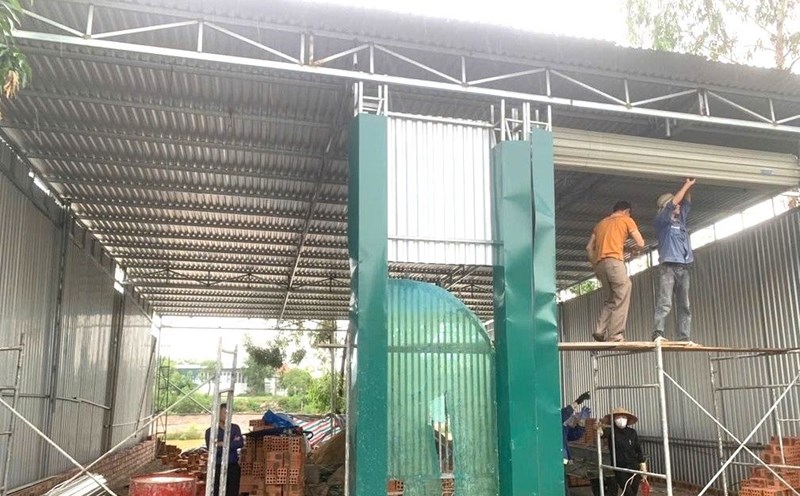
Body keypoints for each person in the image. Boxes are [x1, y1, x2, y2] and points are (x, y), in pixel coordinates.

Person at [586, 201, 645, 342]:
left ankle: (599, 330)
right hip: (614, 262)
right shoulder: (626, 220)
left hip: (600, 264)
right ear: (626, 211)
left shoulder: (600, 224)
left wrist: (595, 265)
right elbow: (641, 243)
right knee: (624, 291)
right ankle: (615, 334)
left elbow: (589, 247)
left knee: (610, 299)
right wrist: (636, 250)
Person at [653, 178, 697, 344]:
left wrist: (689, 184)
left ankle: (684, 336)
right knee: (665, 302)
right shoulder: (662, 221)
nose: (679, 206)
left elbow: (686, 201)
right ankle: (658, 333)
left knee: (684, 304)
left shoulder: (682, 221)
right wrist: (686, 185)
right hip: (668, 267)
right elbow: (675, 202)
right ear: (666, 207)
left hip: (684, 267)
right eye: (674, 205)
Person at [600, 407, 646, 496]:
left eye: (624, 417)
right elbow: (602, 434)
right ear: (614, 419)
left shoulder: (632, 432)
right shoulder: (611, 432)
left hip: (634, 466)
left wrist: (643, 467)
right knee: (628, 492)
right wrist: (599, 428)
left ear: (627, 419)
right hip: (620, 467)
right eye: (618, 417)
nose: (621, 419)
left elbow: (638, 449)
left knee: (633, 491)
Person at [205, 403, 244, 496]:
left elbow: (240, 443)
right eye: (225, 413)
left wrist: (222, 444)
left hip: (232, 465)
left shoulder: (235, 428)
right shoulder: (211, 431)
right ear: (218, 414)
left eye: (229, 413)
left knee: (233, 491)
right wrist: (231, 444)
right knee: (216, 492)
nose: (227, 415)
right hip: (217, 467)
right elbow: (212, 450)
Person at [562, 391, 591, 496]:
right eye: (573, 415)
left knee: (564, 488)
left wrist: (582, 421)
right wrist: (578, 401)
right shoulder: (555, 421)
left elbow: (575, 435)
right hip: (555, 461)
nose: (574, 416)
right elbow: (565, 412)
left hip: (563, 462)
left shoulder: (564, 428)